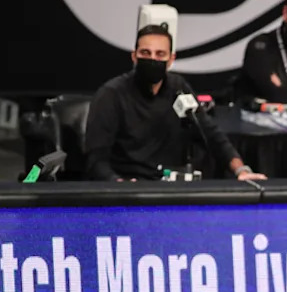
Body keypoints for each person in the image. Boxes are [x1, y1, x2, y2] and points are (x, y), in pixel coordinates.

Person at [85, 25, 267, 182]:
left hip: (170, 186)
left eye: (160, 54)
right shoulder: (111, 95)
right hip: (129, 187)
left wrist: (241, 170)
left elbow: (211, 134)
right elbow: (96, 160)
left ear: (171, 60)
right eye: (145, 53)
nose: (153, 59)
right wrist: (118, 184)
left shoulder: (178, 88)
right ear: (134, 56)